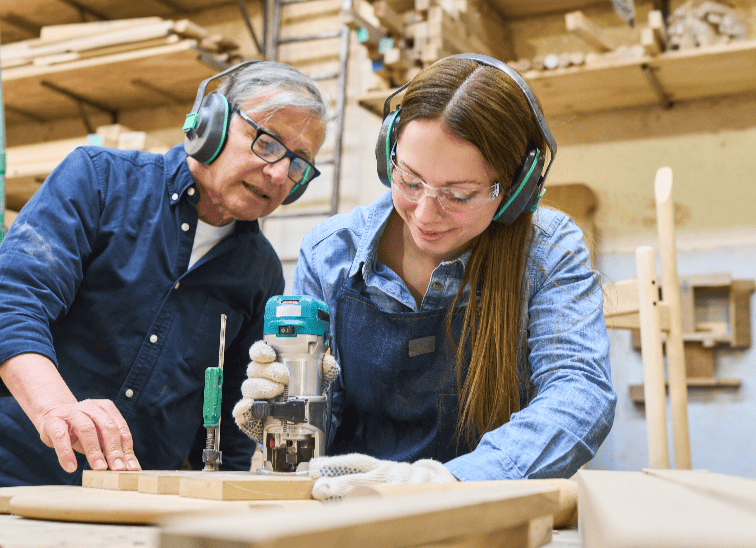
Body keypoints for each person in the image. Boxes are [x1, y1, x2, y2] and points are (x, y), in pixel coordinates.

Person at [0, 61, 327, 495]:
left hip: (120, 507)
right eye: (268, 143)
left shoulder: (259, 270)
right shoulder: (99, 179)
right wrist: (56, 409)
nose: (280, 174)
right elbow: (8, 307)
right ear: (212, 123)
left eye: (299, 165)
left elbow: (231, 420)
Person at [237, 54, 616, 499]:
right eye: (411, 182)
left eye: (460, 195)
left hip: (483, 506)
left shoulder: (547, 251)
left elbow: (580, 391)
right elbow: (322, 426)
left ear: (515, 190)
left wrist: (448, 480)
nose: (426, 214)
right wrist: (283, 417)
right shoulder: (330, 254)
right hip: (350, 505)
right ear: (388, 156)